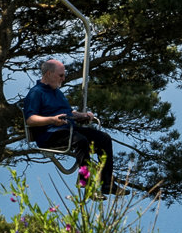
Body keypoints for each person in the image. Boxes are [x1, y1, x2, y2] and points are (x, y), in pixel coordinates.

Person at [22, 59, 117, 195]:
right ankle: (86, 181)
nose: (63, 79)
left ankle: (107, 183)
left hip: (67, 129)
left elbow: (68, 112)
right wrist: (52, 120)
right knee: (80, 140)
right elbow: (30, 119)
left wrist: (83, 116)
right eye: (60, 75)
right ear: (49, 74)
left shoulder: (57, 92)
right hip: (50, 134)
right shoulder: (36, 92)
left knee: (104, 138)